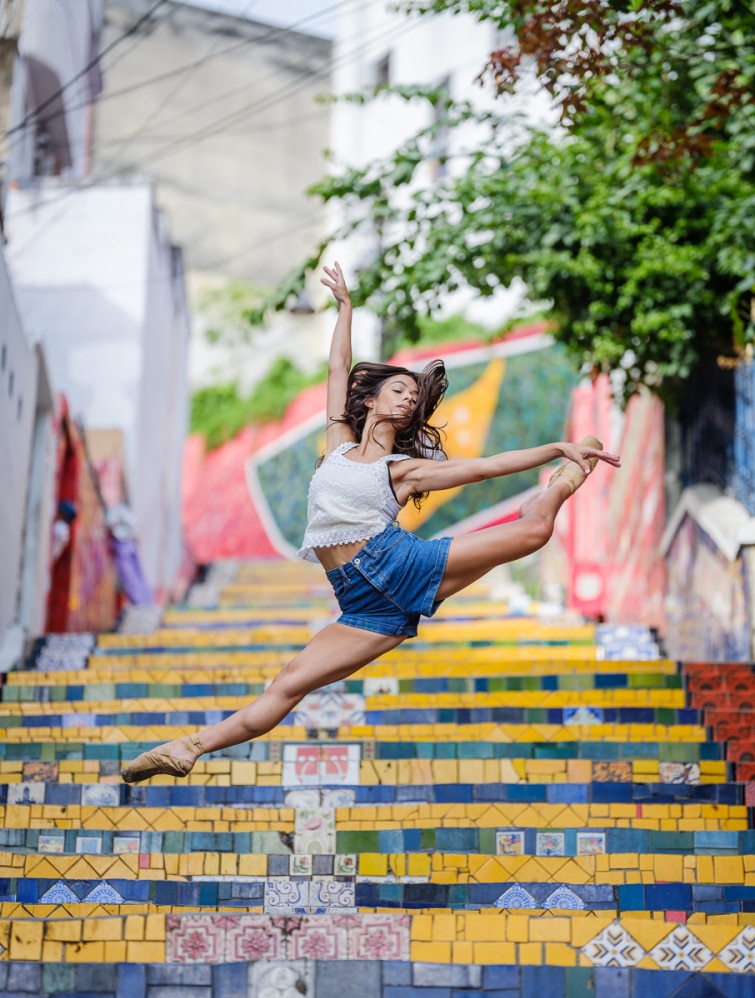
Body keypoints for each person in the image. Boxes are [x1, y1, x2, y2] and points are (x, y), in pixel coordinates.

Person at [121, 263, 620, 783]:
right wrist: (345, 308)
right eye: (398, 389)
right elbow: (339, 367)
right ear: (370, 399)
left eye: (412, 395)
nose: (406, 398)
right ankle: (188, 747)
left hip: (398, 564)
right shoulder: (338, 444)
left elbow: (486, 466)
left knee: (534, 532)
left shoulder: (403, 471)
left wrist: (553, 448)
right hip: (360, 601)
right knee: (290, 683)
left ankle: (563, 477)